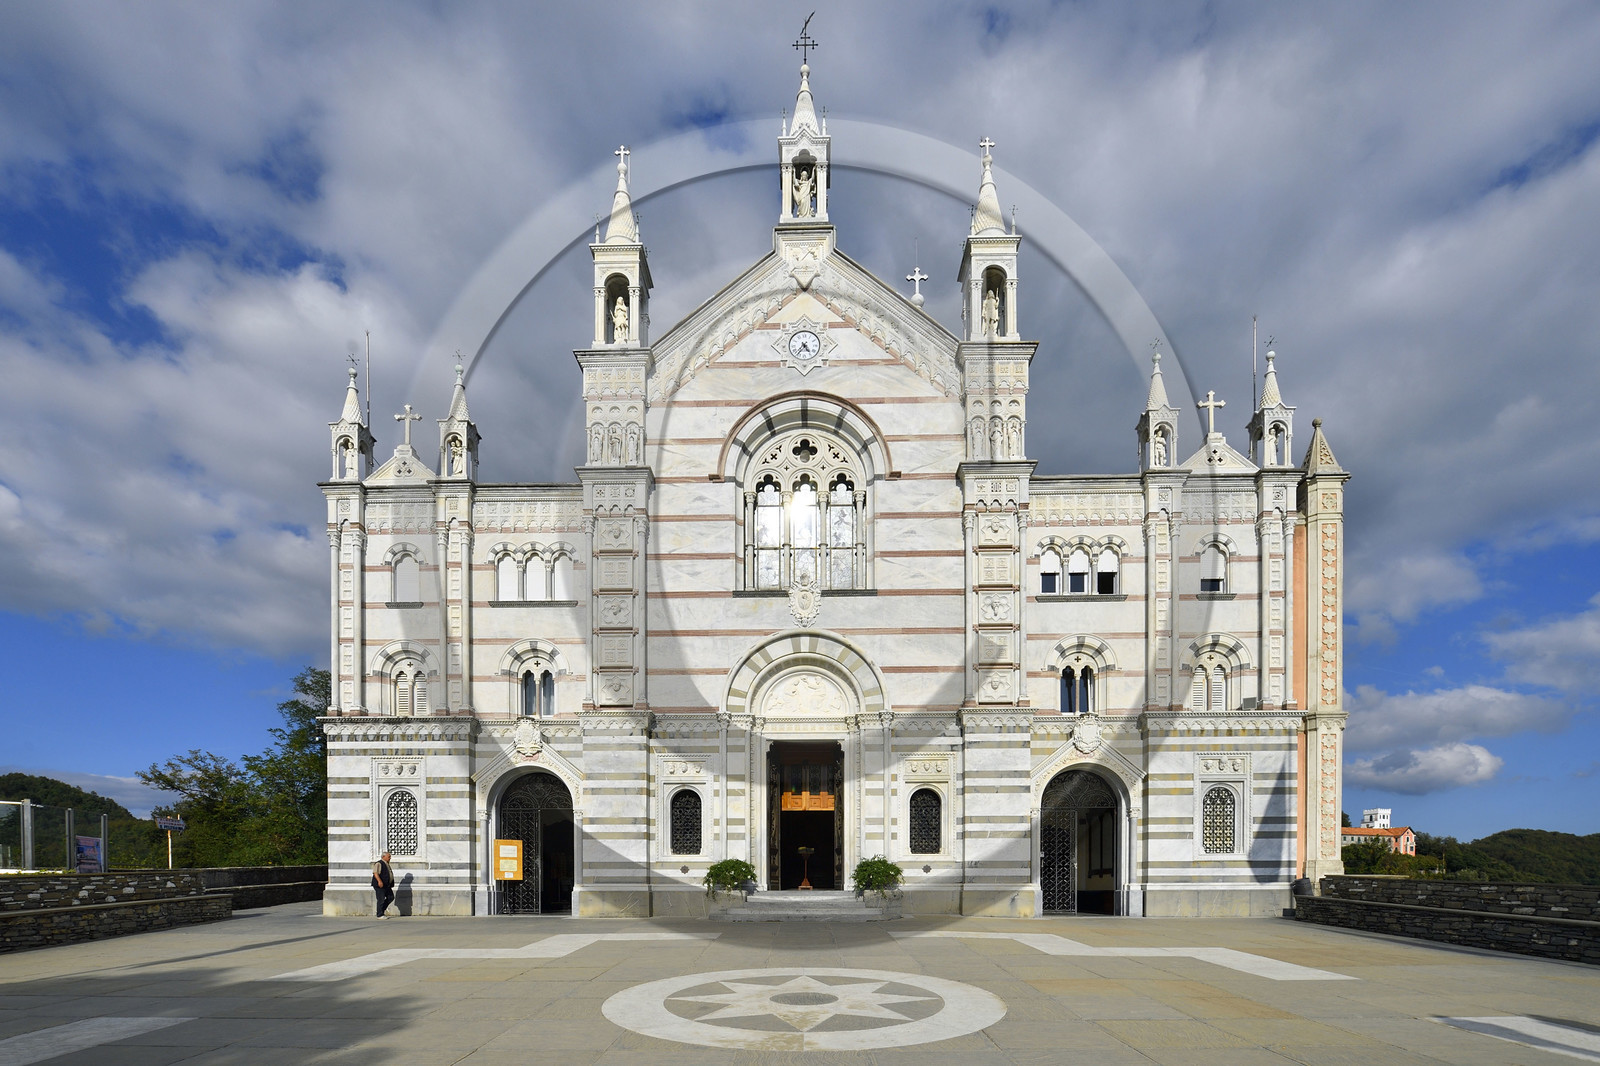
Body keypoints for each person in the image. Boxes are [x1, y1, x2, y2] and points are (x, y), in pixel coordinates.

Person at [372, 851, 395, 919]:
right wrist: (379, 881)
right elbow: (375, 873)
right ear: (383, 857)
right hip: (380, 885)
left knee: (391, 897)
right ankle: (379, 915)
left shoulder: (386, 864)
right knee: (381, 899)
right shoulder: (379, 863)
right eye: (389, 857)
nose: (390, 858)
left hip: (386, 885)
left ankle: (381, 910)